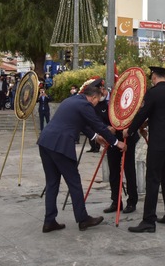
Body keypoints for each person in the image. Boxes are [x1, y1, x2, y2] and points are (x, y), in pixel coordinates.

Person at [37, 78, 124, 233]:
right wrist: (116, 143)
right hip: (60, 145)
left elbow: (83, 124)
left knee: (52, 183)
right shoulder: (85, 105)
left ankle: (49, 221)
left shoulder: (71, 101)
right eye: (98, 100)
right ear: (94, 98)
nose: (97, 104)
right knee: (74, 182)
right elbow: (97, 124)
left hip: (45, 142)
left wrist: (96, 138)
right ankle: (83, 219)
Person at [128, 66, 165, 233]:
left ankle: (149, 220)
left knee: (152, 179)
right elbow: (162, 115)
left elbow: (142, 114)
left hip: (158, 143)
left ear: (154, 77)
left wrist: (129, 130)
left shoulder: (152, 93)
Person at [102, 83, 138, 215]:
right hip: (112, 139)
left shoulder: (133, 100)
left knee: (129, 170)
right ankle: (116, 201)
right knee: (113, 171)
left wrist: (130, 129)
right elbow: (100, 120)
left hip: (128, 138)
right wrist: (107, 129)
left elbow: (137, 116)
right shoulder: (107, 103)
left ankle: (132, 201)